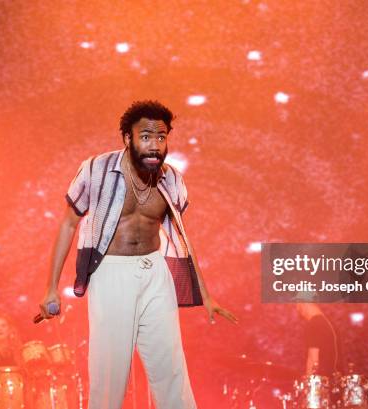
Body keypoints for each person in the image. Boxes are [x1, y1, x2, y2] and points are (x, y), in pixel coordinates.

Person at [39, 100, 237, 409]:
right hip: (111, 271)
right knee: (110, 371)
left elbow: (182, 237)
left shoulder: (172, 179)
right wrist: (51, 288)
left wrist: (206, 295)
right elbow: (68, 225)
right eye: (145, 136)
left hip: (155, 271)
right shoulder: (95, 169)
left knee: (170, 366)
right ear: (127, 138)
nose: (154, 145)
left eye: (161, 136)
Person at [296, 303, 338, 378]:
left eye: (300, 310)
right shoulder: (327, 323)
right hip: (330, 379)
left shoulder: (314, 324)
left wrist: (309, 383)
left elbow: (313, 360)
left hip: (320, 382)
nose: (302, 315)